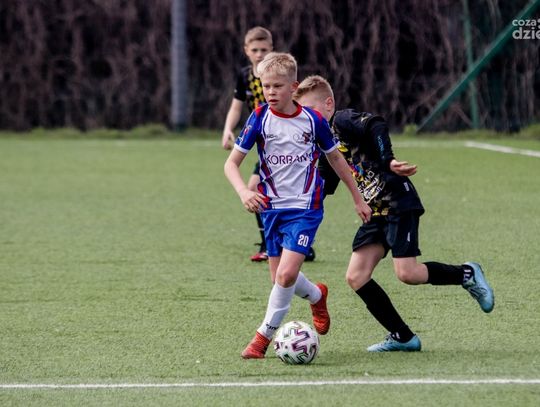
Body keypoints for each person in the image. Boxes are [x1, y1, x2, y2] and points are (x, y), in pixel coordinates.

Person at [294, 75, 494, 352]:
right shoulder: (325, 145)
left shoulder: (341, 120)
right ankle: (403, 337)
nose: (308, 119)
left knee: (407, 273)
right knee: (356, 276)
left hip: (398, 201)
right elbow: (325, 186)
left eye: (311, 111)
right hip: (375, 212)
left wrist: (388, 159)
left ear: (328, 104)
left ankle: (466, 274)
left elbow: (375, 124)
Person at [224, 54, 371, 359]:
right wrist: (243, 192)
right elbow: (231, 164)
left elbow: (336, 159)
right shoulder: (259, 118)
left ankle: (261, 339)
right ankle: (317, 295)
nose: (270, 92)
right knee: (279, 278)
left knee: (286, 276)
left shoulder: (313, 120)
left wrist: (357, 197)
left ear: (293, 87)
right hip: (271, 210)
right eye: (266, 86)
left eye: (277, 86)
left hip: (305, 209)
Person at [221, 27, 317, 263]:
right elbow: (236, 106)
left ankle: (288, 241)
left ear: (271, 49)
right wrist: (227, 129)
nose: (259, 54)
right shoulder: (245, 76)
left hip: (284, 139)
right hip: (262, 135)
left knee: (258, 188)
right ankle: (276, 241)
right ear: (246, 51)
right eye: (255, 50)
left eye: (264, 49)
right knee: (256, 190)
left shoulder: (280, 73)